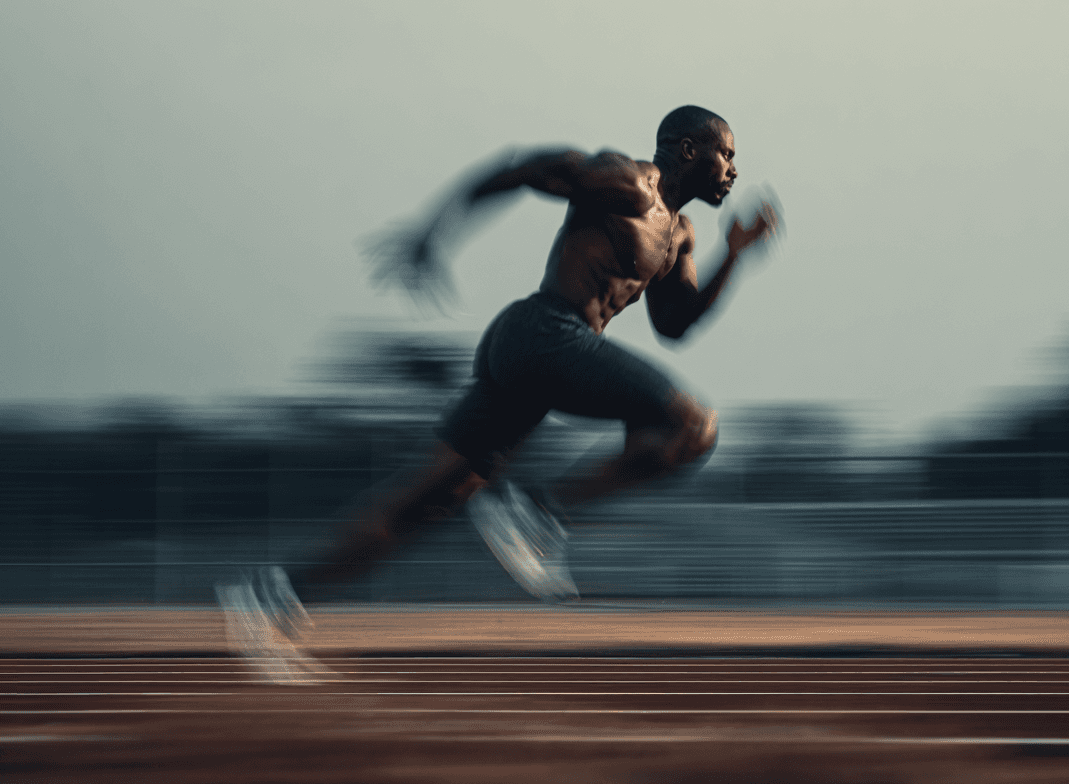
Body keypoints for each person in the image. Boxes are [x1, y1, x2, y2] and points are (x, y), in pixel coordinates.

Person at [216, 105, 781, 683]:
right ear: (689, 150)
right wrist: (431, 234)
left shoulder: (678, 237)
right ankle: (538, 510)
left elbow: (676, 324)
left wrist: (733, 257)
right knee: (691, 425)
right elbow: (519, 170)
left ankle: (272, 598)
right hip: (542, 333)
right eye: (728, 154)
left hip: (537, 360)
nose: (734, 170)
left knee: (424, 505)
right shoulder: (629, 183)